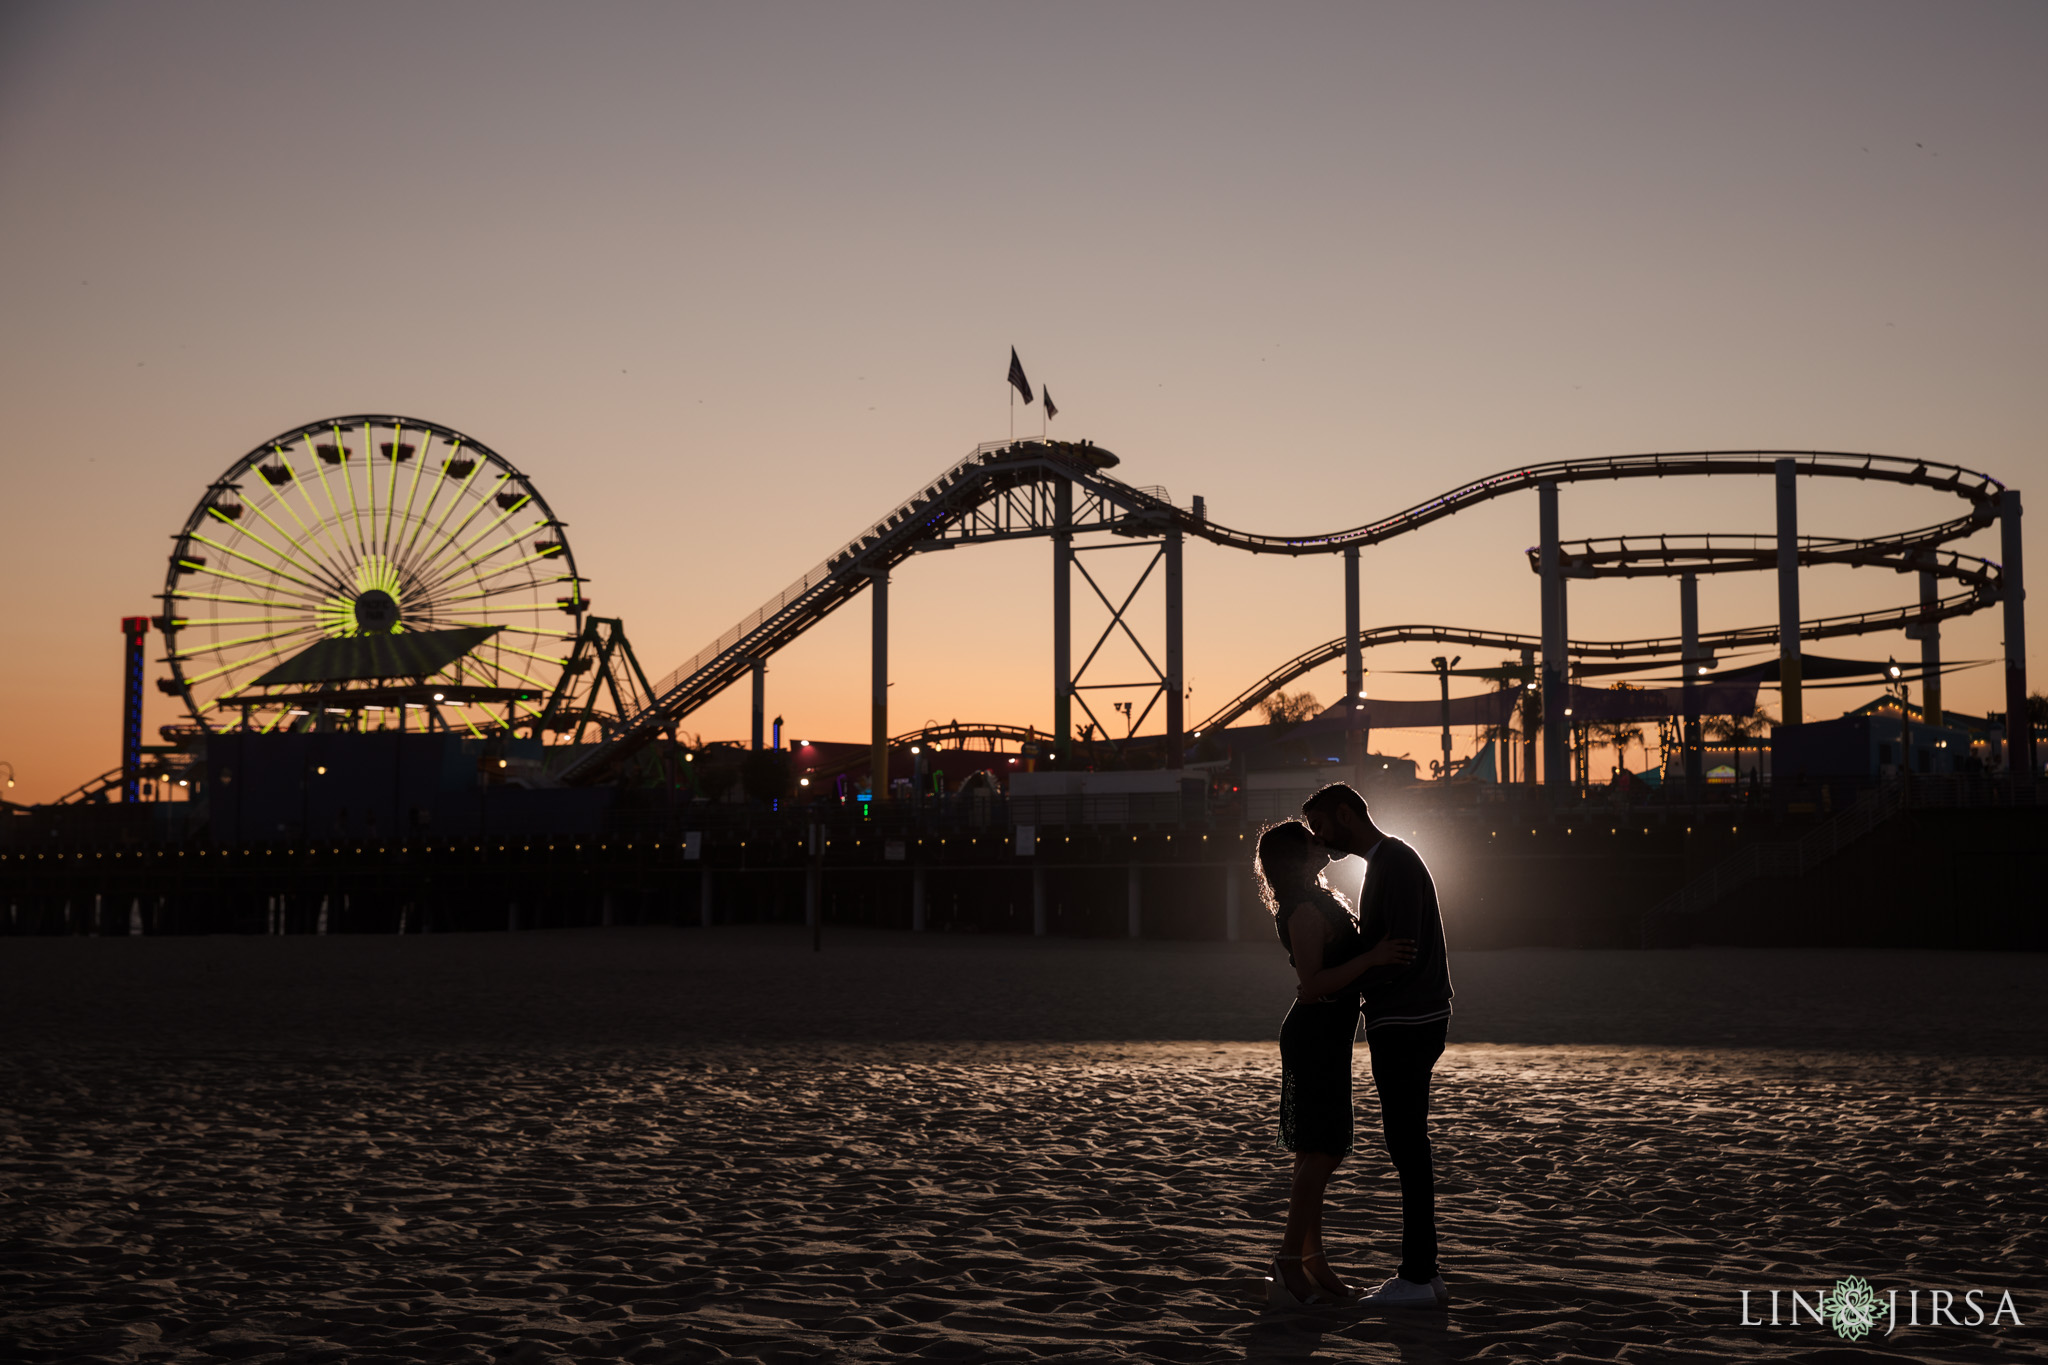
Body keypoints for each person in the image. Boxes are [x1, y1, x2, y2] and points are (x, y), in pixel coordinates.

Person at [1301, 783, 1454, 1309]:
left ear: (1346, 814)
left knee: (1407, 1146)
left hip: (1409, 1020)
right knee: (1409, 1145)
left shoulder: (1396, 862)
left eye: (1322, 825)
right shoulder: (1387, 862)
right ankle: (1424, 1273)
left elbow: (1401, 952)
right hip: (1412, 1016)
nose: (1319, 839)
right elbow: (1389, 948)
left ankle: (1416, 1276)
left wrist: (1348, 982)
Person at [1256, 819, 1414, 1308]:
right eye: (1310, 841)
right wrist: (1373, 959)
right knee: (1322, 1150)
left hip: (1328, 1034)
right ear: (1295, 859)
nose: (1320, 843)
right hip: (1314, 1033)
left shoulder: (1318, 898)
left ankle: (1312, 1259)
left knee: (1314, 1149)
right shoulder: (1304, 909)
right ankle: (1287, 1260)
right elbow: (1313, 984)